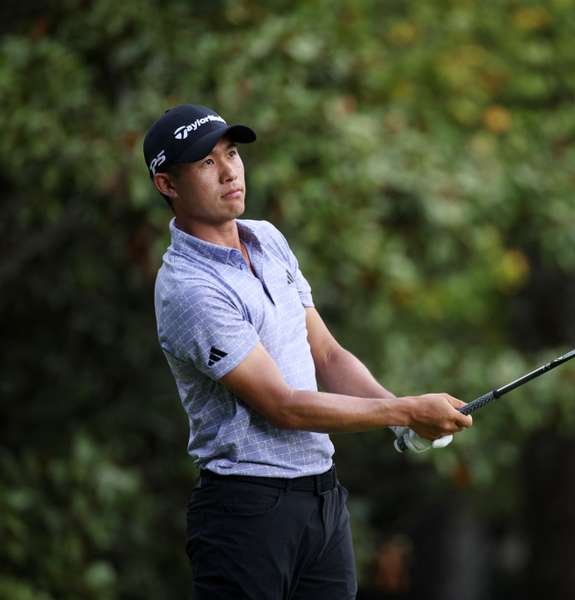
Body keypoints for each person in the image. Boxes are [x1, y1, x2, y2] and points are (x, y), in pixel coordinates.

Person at [143, 104, 473, 599]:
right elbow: (284, 405)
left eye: (230, 153)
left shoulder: (268, 240)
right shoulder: (188, 289)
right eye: (206, 163)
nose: (230, 170)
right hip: (245, 514)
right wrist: (404, 408)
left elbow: (327, 356)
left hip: (321, 501)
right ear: (168, 185)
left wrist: (403, 418)